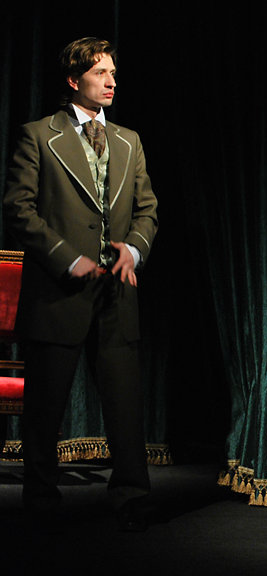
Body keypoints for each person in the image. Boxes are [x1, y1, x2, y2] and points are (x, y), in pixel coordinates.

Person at [3, 37, 159, 531]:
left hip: (116, 291)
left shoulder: (129, 140)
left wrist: (134, 249)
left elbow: (147, 209)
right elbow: (18, 210)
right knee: (45, 408)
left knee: (125, 405)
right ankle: (41, 500)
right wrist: (67, 259)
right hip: (58, 291)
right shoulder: (38, 136)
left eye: (113, 72)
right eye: (99, 73)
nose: (111, 81)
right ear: (74, 80)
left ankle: (132, 497)